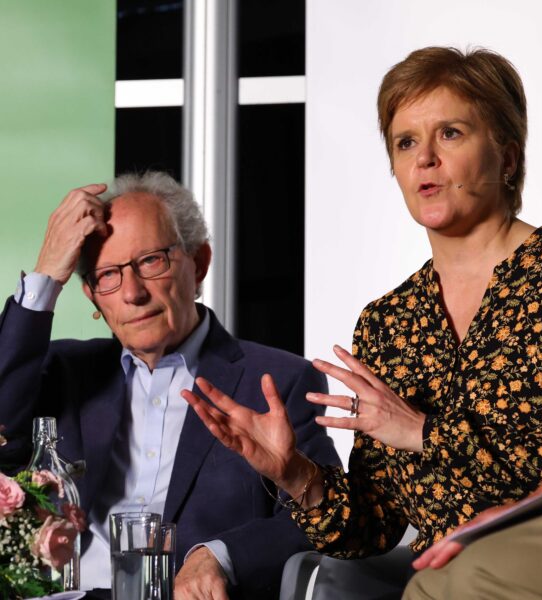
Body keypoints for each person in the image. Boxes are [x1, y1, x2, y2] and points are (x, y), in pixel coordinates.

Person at [182, 46, 542, 597]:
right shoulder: (388, 322)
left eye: (449, 133)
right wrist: (296, 475)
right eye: (405, 142)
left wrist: (418, 430)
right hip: (443, 574)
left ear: (509, 156)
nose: (424, 158)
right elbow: (376, 525)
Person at [0, 171, 340, 599]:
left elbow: (325, 514)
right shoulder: (64, 373)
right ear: (91, 296)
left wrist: (219, 555)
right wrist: (48, 274)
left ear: (198, 264)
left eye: (150, 261)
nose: (132, 293)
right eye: (108, 275)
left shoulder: (277, 381)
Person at [403, 392, 542, 599]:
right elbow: (379, 528)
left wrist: (427, 433)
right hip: (439, 546)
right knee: (425, 588)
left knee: (480, 574)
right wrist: (535, 501)